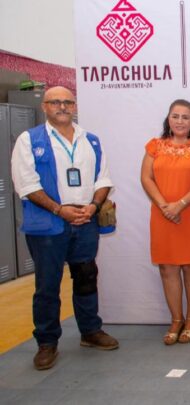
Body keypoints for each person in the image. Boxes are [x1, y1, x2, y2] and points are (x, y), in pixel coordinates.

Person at [11, 86, 119, 370]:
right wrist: (61, 210)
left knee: (86, 278)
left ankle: (90, 331)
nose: (62, 106)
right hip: (49, 224)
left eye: (67, 102)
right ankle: (47, 343)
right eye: (55, 102)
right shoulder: (29, 140)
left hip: (85, 221)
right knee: (47, 284)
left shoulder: (90, 141)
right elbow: (27, 183)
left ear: (74, 106)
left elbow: (103, 179)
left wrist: (93, 206)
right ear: (44, 106)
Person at [140, 99, 190, 345]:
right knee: (168, 268)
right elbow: (146, 178)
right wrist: (164, 205)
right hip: (163, 213)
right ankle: (176, 319)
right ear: (168, 119)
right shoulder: (155, 146)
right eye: (176, 116)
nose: (180, 121)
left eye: (186, 117)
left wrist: (180, 204)